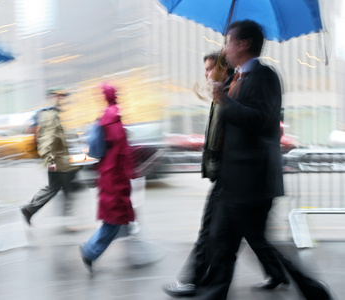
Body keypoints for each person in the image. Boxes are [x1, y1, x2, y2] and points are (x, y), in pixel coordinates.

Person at [163, 50, 287, 297]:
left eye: (210, 68)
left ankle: (192, 280)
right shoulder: (224, 91)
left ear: (224, 68)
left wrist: (222, 98)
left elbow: (249, 125)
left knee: (210, 231)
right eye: (205, 70)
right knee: (252, 234)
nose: (206, 74)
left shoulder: (235, 90)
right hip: (230, 174)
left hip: (234, 175)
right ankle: (279, 272)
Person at [79, 82, 136, 273]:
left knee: (117, 217)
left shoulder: (103, 118)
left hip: (111, 174)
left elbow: (95, 151)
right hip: (115, 175)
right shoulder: (115, 117)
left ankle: (94, 248)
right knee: (115, 219)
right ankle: (90, 250)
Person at [20, 89, 81, 226]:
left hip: (60, 159)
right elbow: (47, 140)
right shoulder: (50, 115)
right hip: (57, 160)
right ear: (53, 97)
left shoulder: (53, 114)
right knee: (63, 187)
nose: (62, 100)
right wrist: (50, 160)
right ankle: (31, 209)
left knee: (55, 187)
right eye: (60, 96)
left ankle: (29, 209)